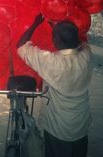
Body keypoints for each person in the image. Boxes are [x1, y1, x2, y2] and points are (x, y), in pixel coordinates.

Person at [16, 14, 93, 157]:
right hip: (81, 126)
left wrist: (35, 24)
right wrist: (58, 29)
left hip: (58, 128)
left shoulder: (52, 62)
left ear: (55, 41)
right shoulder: (87, 56)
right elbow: (82, 43)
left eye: (54, 37)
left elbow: (20, 46)